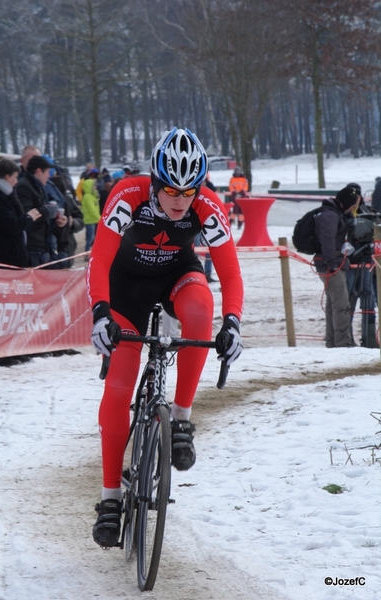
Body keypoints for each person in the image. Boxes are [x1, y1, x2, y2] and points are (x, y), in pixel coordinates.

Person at [87, 127, 244, 549]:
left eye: (188, 191)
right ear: (155, 183)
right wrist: (100, 312)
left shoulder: (208, 206)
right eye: (171, 190)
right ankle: (110, 498)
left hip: (177, 276)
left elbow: (229, 272)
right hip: (125, 288)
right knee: (120, 383)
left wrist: (233, 322)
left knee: (200, 310)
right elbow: (99, 259)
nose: (180, 200)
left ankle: (181, 418)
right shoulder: (127, 194)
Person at [0, 157, 42, 366]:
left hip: (14, 258)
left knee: (14, 307)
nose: (17, 182)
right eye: (15, 177)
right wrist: (29, 218)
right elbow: (10, 225)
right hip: (0, 260)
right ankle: (0, 353)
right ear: (7, 177)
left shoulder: (5, 194)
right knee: (1, 308)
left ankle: (12, 348)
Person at [314, 185, 360, 348]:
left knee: (333, 303)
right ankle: (343, 342)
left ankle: (333, 341)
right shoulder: (330, 216)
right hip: (331, 265)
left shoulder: (331, 213)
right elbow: (327, 242)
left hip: (329, 263)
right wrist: (333, 265)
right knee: (341, 304)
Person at [16, 155, 67, 267]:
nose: (49, 176)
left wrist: (58, 222)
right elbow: (28, 215)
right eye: (47, 172)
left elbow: (41, 214)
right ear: (38, 171)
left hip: (43, 246)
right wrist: (50, 210)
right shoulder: (24, 187)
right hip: (31, 247)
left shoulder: (39, 187)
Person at [345, 183, 379, 348]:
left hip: (366, 263)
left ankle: (370, 337)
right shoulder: (342, 215)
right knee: (349, 298)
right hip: (350, 263)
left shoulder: (368, 213)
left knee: (369, 298)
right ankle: (346, 335)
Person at [81, 177, 100, 256]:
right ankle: (86, 254)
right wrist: (99, 218)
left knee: (94, 238)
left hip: (94, 220)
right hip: (90, 220)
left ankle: (93, 253)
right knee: (90, 238)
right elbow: (92, 209)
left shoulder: (93, 195)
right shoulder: (87, 196)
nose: (95, 187)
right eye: (94, 186)